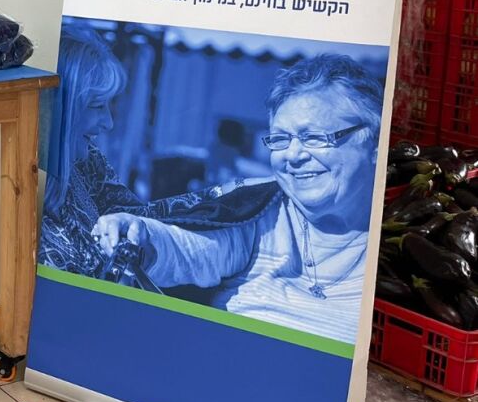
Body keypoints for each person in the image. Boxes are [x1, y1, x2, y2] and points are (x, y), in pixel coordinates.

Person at [93, 54, 381, 345]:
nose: (293, 155)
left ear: (374, 143)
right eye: (280, 139)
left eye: (315, 137)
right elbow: (191, 249)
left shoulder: (396, 256)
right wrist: (142, 235)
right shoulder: (260, 216)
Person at [37, 24, 141, 276]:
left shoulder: (86, 161)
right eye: (96, 105)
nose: (109, 123)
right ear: (61, 108)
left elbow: (141, 216)